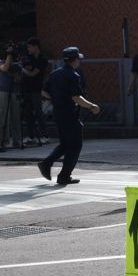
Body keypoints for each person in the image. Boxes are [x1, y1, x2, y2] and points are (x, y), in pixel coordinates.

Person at [38, 47, 99, 186]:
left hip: (58, 114)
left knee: (65, 144)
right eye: (78, 59)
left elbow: (43, 92)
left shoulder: (54, 74)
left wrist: (56, 99)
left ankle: (47, 164)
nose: (79, 61)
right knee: (75, 146)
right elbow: (76, 97)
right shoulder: (73, 75)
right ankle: (63, 175)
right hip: (70, 115)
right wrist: (92, 106)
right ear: (74, 60)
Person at [0, 42, 24, 150]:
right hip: (3, 91)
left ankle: (17, 141)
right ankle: (3, 141)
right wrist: (9, 55)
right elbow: (5, 68)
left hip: (14, 91)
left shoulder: (17, 64)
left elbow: (18, 79)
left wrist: (17, 72)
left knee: (16, 118)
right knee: (3, 117)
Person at [18, 38, 47, 146]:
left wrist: (22, 69)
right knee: (27, 112)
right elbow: (27, 67)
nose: (28, 49)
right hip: (26, 89)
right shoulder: (28, 58)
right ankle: (31, 136)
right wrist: (23, 65)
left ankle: (44, 135)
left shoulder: (42, 59)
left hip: (36, 89)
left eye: (30, 47)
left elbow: (33, 73)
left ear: (36, 47)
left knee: (38, 112)